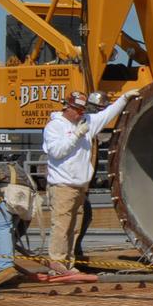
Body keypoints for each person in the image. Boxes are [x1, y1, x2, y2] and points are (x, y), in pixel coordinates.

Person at [42, 89, 135, 276]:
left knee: (74, 227)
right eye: (78, 110)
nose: (81, 113)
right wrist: (76, 135)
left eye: (83, 110)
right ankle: (57, 263)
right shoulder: (55, 127)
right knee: (61, 225)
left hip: (79, 186)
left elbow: (106, 114)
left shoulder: (86, 123)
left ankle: (68, 263)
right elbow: (56, 152)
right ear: (68, 107)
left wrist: (124, 98)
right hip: (63, 186)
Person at [0, 164, 17, 288]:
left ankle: (5, 267)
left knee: (2, 228)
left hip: (6, 193)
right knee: (9, 229)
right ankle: (4, 264)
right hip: (22, 194)